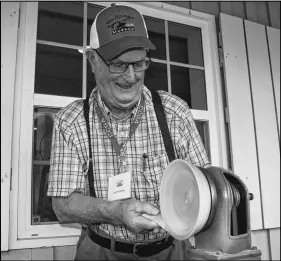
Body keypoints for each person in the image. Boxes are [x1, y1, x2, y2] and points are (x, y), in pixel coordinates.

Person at [47, 3, 210, 260]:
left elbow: (206, 187)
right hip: (100, 251)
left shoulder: (174, 112)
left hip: (170, 251)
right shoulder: (72, 121)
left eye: (139, 63)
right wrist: (115, 211)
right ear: (92, 60)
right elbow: (63, 206)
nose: (131, 77)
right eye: (119, 64)